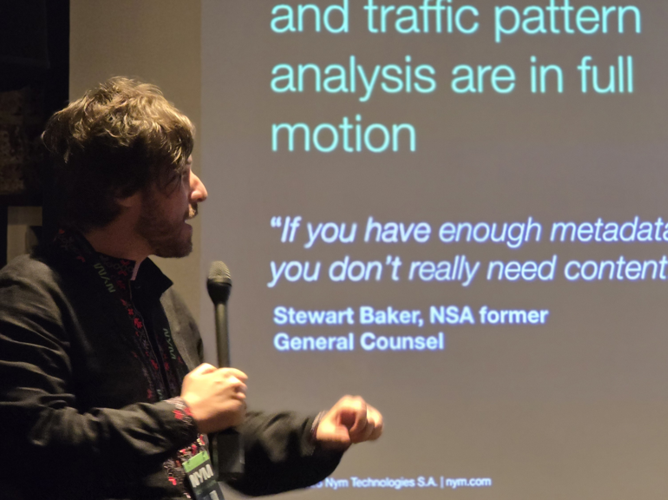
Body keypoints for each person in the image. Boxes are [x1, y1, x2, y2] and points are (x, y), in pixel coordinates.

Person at [0, 77, 383, 499]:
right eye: (181, 174)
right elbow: (34, 444)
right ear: (123, 188)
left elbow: (213, 444)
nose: (199, 190)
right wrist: (183, 415)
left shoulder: (156, 295)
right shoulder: (31, 292)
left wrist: (313, 434)